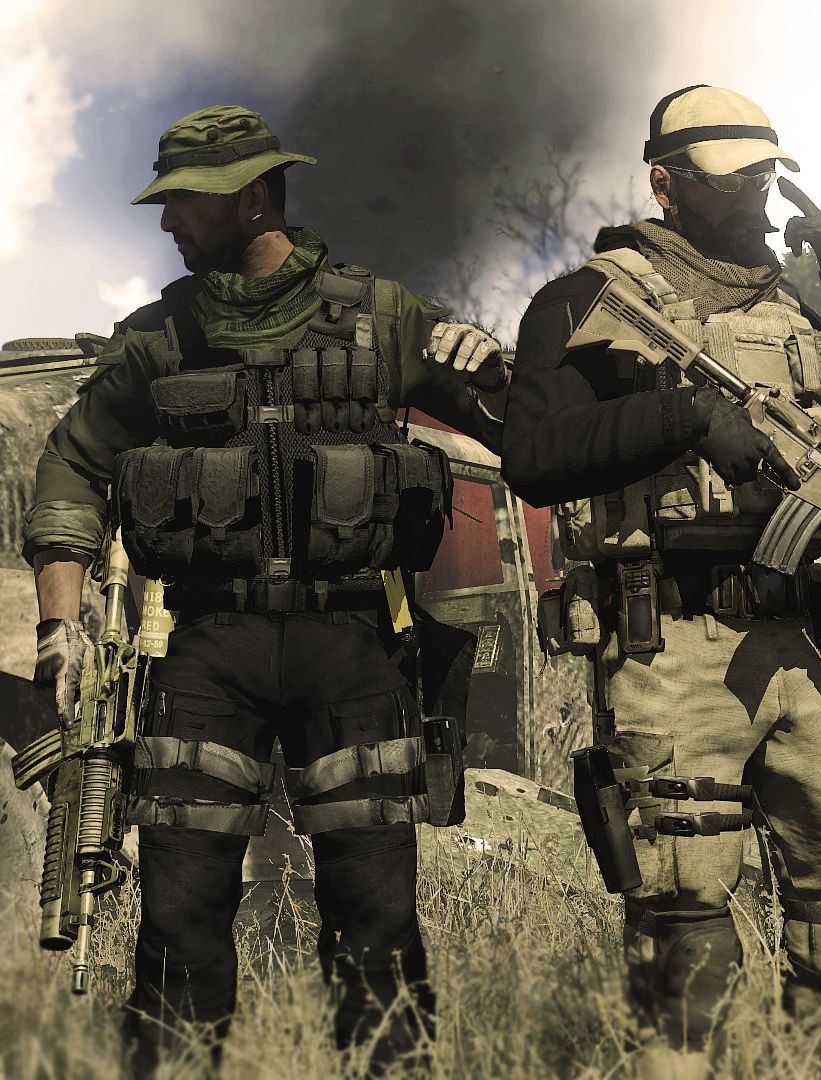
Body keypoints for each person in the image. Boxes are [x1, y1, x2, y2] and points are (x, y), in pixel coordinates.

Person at [24, 105, 508, 1075]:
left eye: (185, 203)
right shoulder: (157, 339)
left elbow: (515, 421)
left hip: (353, 647)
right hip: (210, 652)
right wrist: (59, 625)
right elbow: (73, 466)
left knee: (376, 917)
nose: (168, 223)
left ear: (252, 200)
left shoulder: (383, 315)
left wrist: (489, 362)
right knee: (178, 918)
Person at [500, 85, 821, 1073]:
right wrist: (684, 416)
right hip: (670, 647)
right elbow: (535, 457)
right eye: (732, 182)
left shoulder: (789, 310)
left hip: (793, 640)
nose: (754, 198)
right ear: (666, 184)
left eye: (764, 178)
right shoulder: (588, 301)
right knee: (686, 920)